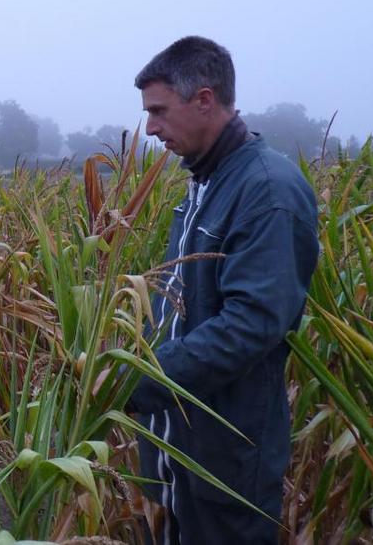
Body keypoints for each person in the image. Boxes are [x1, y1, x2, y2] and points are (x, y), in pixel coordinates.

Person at [126, 36, 319, 544]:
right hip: (175, 455)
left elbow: (252, 323)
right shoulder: (203, 184)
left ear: (204, 99)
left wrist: (142, 377)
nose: (150, 127)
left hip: (226, 464)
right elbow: (177, 305)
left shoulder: (266, 190)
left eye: (159, 111)